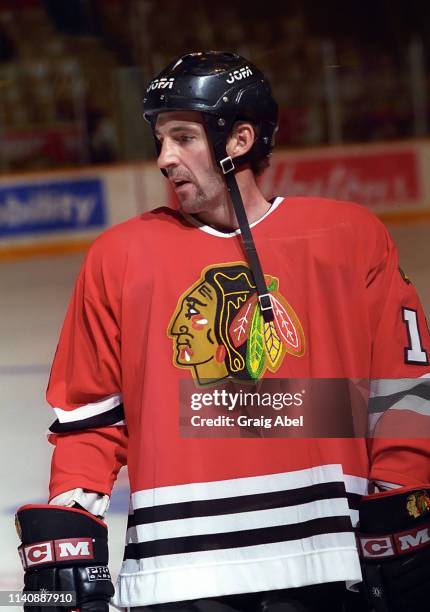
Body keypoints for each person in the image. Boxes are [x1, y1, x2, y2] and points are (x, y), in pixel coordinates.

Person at [16, 51, 430, 612]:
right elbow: (91, 415)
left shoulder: (348, 237)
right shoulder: (119, 257)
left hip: (330, 558)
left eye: (183, 137)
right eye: (160, 139)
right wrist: (71, 519)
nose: (164, 158)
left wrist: (401, 499)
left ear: (239, 139)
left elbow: (401, 388)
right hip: (177, 571)